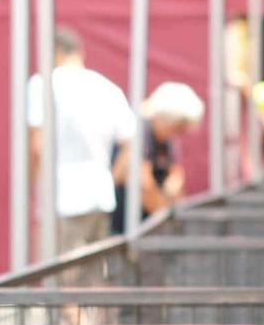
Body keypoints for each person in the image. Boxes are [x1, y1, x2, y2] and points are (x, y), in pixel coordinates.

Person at [28, 26, 135, 253]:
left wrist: (32, 186)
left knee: (59, 277)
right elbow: (130, 144)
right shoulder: (107, 87)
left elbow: (37, 146)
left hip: (61, 198)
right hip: (100, 196)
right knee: (94, 278)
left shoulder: (43, 84)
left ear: (54, 53)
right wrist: (109, 179)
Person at [110, 81, 205, 234]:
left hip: (144, 221)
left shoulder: (165, 139)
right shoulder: (139, 130)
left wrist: (172, 190)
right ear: (167, 120)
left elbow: (175, 173)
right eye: (178, 128)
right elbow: (142, 184)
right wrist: (168, 221)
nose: (179, 133)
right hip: (123, 222)